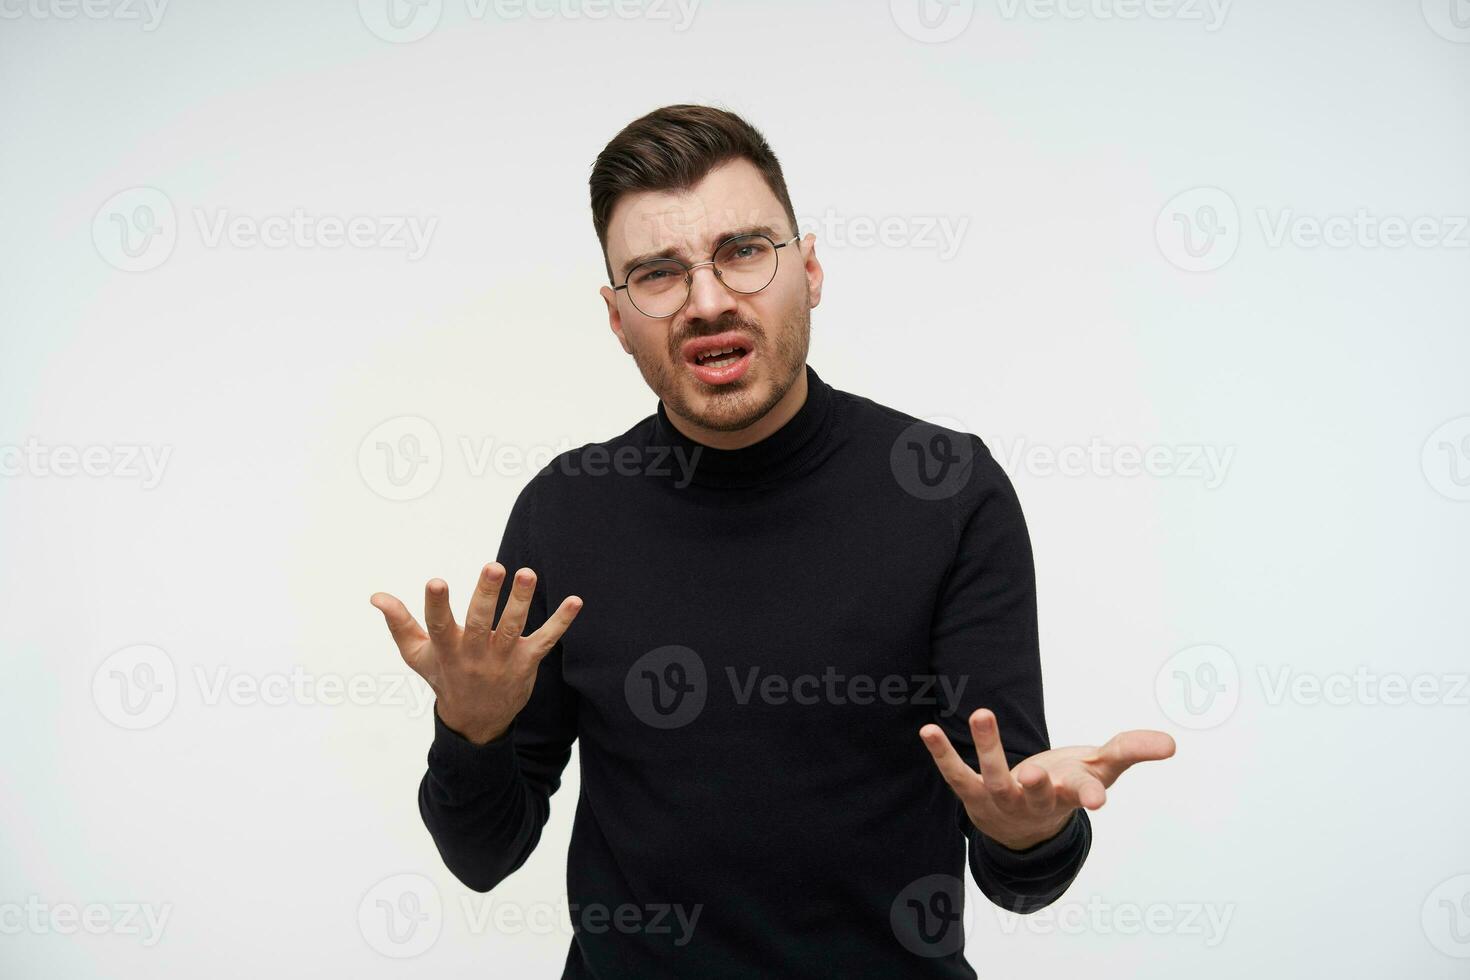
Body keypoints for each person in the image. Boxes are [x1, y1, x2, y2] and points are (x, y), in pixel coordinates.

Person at [370, 103, 1175, 979]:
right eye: (658, 274)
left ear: (813, 269)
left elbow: (1019, 874)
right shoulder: (568, 509)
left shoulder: (947, 490)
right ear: (615, 318)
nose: (708, 301)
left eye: (745, 252)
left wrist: (1034, 831)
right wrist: (471, 731)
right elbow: (483, 858)